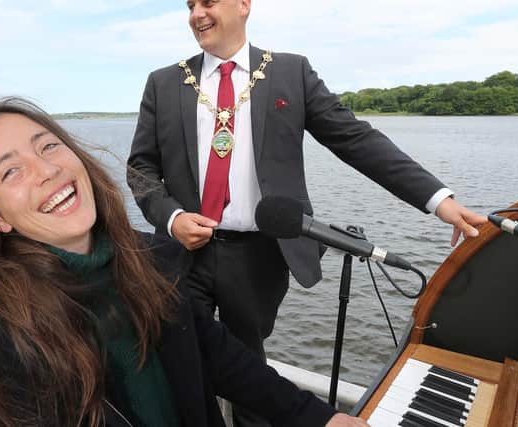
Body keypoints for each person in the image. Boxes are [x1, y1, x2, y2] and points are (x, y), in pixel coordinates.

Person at [127, 1, 487, 425]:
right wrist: (170, 217)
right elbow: (141, 169)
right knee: (183, 364)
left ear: (243, 5)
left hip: (256, 258)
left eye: (208, 2)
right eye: (190, 6)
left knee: (249, 374)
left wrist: (438, 200)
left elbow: (356, 140)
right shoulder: (164, 83)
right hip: (183, 254)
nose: (196, 15)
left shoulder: (291, 73)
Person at [0, 97, 370, 427]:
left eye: (48, 146)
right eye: (10, 172)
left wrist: (320, 417)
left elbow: (222, 359)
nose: (46, 170)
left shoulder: (151, 257)